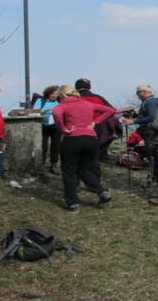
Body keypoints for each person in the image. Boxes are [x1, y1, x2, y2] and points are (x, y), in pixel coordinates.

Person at [51, 85, 115, 213]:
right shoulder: (87, 103)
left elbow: (56, 113)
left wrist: (63, 128)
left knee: (69, 172)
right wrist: (95, 122)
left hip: (72, 139)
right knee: (83, 169)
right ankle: (102, 192)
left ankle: (73, 203)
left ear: (63, 95)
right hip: (91, 140)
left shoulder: (63, 105)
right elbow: (110, 110)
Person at [75, 78, 120, 165]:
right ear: (89, 87)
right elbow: (112, 110)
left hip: (78, 126)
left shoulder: (74, 98)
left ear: (77, 86)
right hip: (96, 125)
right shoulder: (98, 97)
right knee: (94, 147)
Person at [124, 84, 158, 161]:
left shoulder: (151, 101)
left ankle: (157, 170)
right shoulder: (146, 101)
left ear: (144, 92)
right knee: (150, 152)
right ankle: (154, 169)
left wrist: (133, 121)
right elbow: (146, 116)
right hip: (148, 131)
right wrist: (134, 115)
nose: (137, 95)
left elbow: (152, 117)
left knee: (151, 152)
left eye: (138, 92)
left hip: (151, 131)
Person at [34, 85, 61, 175]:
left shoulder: (59, 101)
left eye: (56, 94)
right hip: (43, 125)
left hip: (56, 126)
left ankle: (54, 165)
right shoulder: (40, 101)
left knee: (55, 146)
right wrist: (47, 110)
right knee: (43, 146)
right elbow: (35, 112)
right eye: (53, 93)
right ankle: (40, 166)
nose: (54, 95)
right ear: (48, 93)